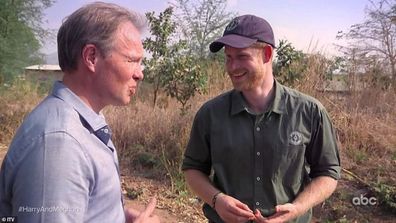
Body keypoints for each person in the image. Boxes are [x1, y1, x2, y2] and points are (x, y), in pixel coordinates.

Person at [0, 2, 160, 223]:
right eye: (132, 60)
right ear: (91, 57)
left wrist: (118, 217)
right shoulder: (60, 144)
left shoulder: (83, 122)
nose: (140, 74)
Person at [182, 14, 341, 223]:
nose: (232, 67)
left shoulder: (309, 112)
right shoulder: (210, 114)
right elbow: (192, 169)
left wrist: (297, 208)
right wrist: (217, 199)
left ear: (267, 54)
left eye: (242, 56)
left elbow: (328, 172)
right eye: (228, 57)